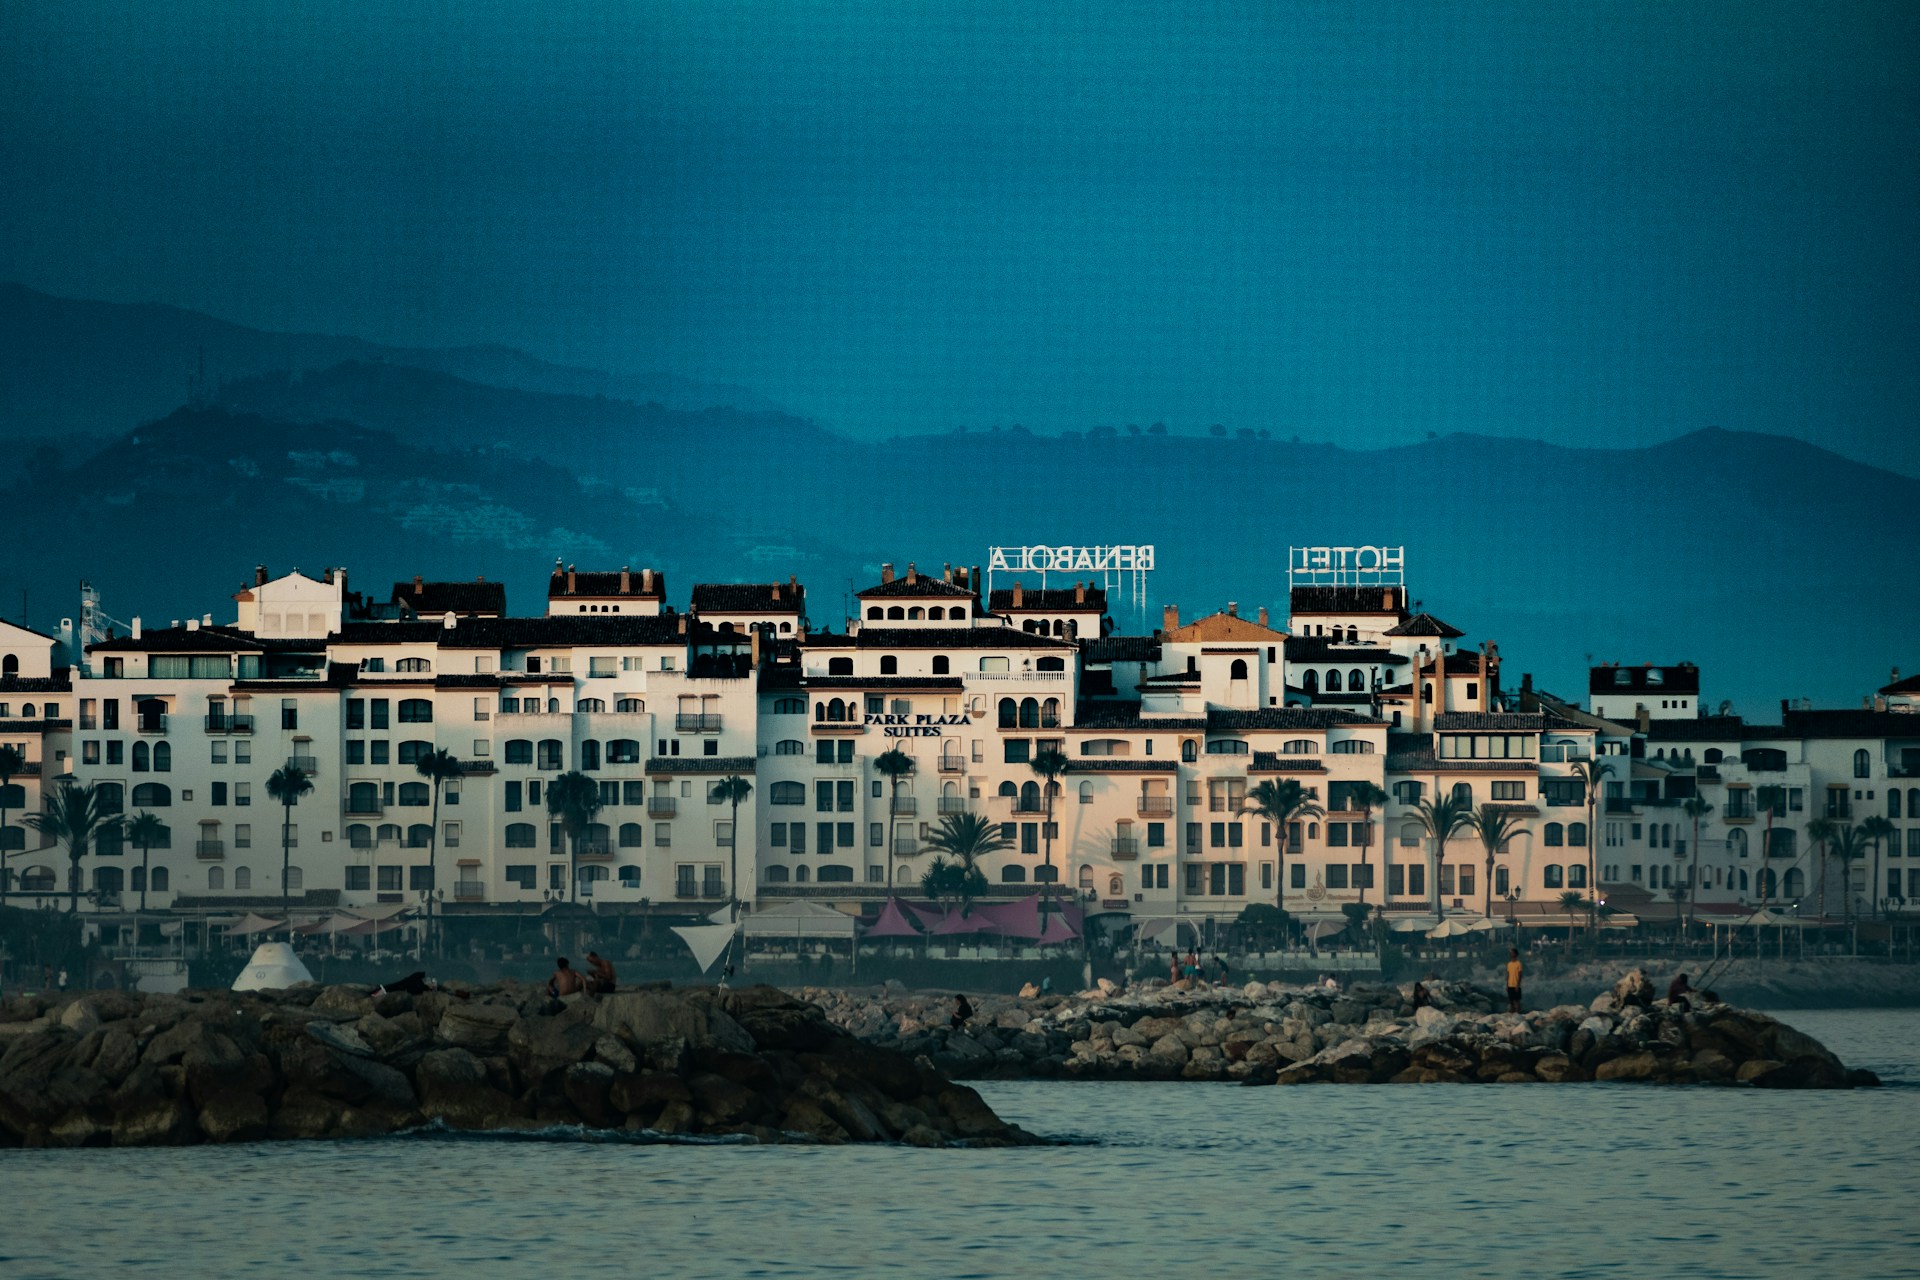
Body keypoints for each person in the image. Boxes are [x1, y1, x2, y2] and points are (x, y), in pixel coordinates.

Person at [1505, 947, 1524, 1014]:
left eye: (1512, 952)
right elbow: (1508, 974)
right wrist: (1507, 985)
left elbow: (1520, 975)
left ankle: (1519, 1012)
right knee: (1511, 1000)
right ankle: (1512, 1012)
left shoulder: (1518, 963)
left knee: (1517, 1000)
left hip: (1516, 985)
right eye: (1510, 953)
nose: (1511, 954)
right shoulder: (1509, 964)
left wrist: (1517, 985)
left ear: (1516, 954)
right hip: (1510, 984)